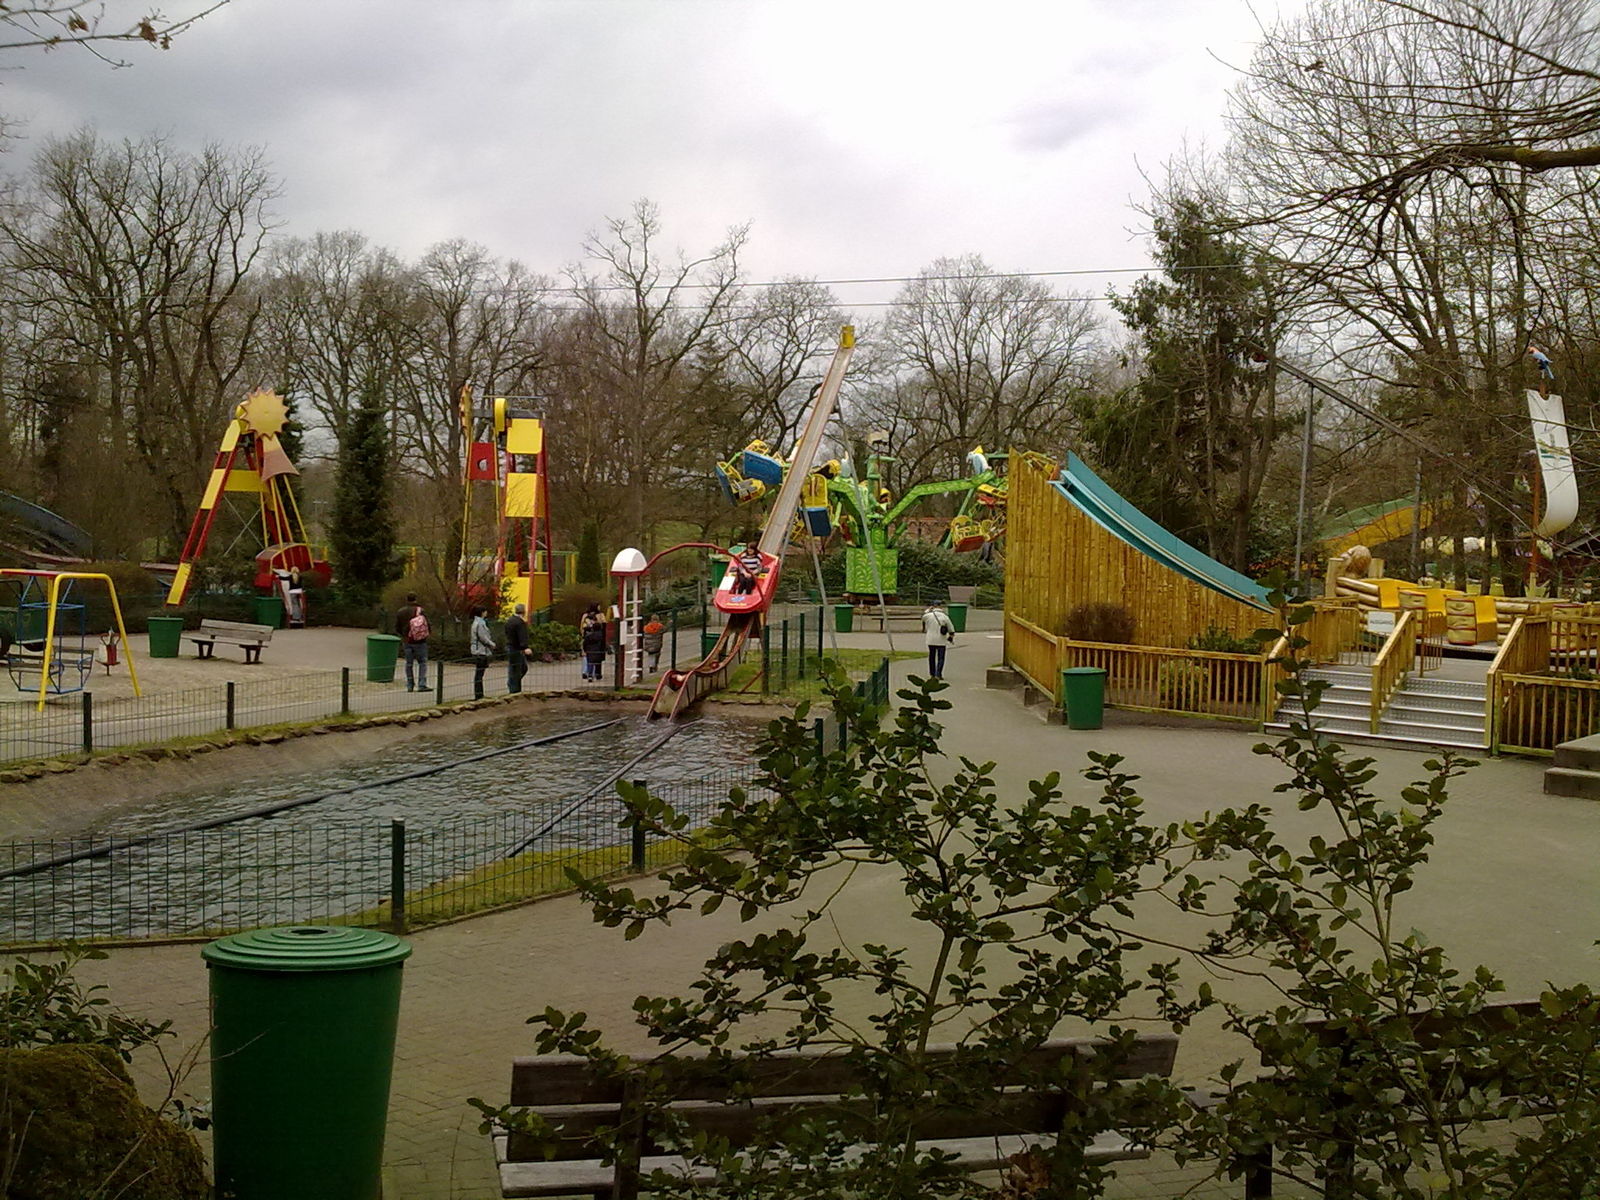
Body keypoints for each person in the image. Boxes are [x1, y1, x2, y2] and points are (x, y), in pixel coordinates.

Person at [395, 593, 430, 692]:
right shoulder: (420, 610)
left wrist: (404, 634)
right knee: (422, 662)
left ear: (406, 599)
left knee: (409, 663)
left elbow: (397, 627)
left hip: (407, 640)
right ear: (416, 599)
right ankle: (422, 684)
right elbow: (427, 624)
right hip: (420, 641)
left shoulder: (400, 611)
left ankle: (410, 685)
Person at [921, 599, 955, 680]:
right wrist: (951, 636)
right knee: (941, 658)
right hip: (941, 640)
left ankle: (932, 673)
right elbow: (951, 628)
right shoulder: (944, 616)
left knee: (931, 657)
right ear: (941, 606)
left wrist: (928, 610)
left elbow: (922, 617)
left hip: (930, 639)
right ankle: (938, 674)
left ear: (933, 606)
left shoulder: (928, 616)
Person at [469, 605, 497, 700]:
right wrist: (491, 644)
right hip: (480, 651)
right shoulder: (480, 624)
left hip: (479, 650)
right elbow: (483, 637)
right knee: (479, 674)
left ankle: (479, 694)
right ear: (482, 613)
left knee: (479, 673)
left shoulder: (477, 622)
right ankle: (479, 694)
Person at [504, 603, 532, 693]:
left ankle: (512, 684)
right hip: (517, 648)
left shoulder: (509, 620)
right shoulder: (520, 623)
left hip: (510, 647)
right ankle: (514, 688)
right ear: (524, 612)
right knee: (519, 669)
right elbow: (522, 636)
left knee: (514, 668)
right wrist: (525, 647)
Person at [581, 609, 608, 682]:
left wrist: (585, 649)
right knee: (597, 663)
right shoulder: (600, 636)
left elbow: (585, 643)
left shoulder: (588, 635)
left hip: (590, 651)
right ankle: (597, 674)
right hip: (598, 651)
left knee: (589, 663)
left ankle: (589, 674)